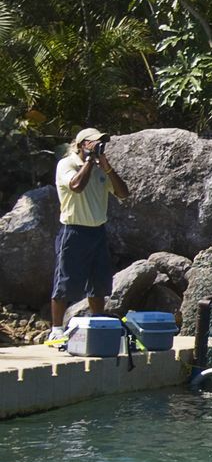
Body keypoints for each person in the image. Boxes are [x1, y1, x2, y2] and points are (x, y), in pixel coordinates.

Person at [50, 127, 130, 331]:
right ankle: (56, 330)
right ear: (81, 145)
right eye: (93, 143)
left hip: (97, 232)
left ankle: (98, 325)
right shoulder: (66, 164)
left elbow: (123, 193)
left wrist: (107, 168)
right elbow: (76, 186)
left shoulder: (101, 168)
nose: (97, 147)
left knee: (99, 282)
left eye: (100, 143)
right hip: (73, 230)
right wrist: (88, 162)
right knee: (64, 282)